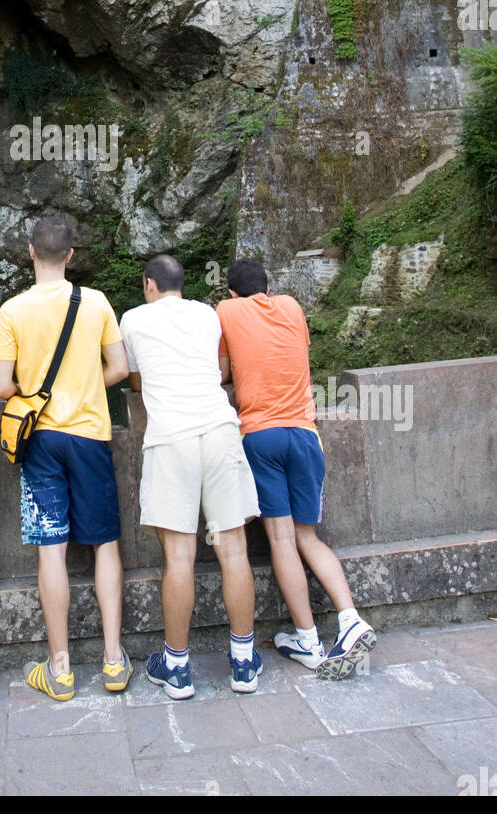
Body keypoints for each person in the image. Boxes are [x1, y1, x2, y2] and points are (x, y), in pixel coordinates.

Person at [0, 214, 131, 701]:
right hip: (91, 435)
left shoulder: (12, 311)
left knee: (50, 547)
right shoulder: (95, 302)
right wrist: (87, 386)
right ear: (71, 255)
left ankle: (61, 669)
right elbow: (120, 367)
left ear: (31, 252)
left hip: (42, 442)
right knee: (105, 544)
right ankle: (114, 661)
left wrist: (34, 394)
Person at [217, 260, 376, 680]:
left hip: (261, 436)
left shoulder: (226, 311)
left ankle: (307, 637)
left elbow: (223, 373)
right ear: (267, 287)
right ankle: (349, 618)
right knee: (309, 537)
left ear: (232, 292)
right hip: (306, 434)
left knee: (282, 539)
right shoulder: (291, 307)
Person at [120, 254, 262, 698]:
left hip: (171, 439)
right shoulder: (208, 313)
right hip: (220, 431)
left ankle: (177, 667)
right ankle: (242, 662)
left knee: (179, 557)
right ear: (182, 284)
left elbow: (137, 381)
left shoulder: (133, 320)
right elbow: (220, 372)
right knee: (232, 550)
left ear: (148, 285)